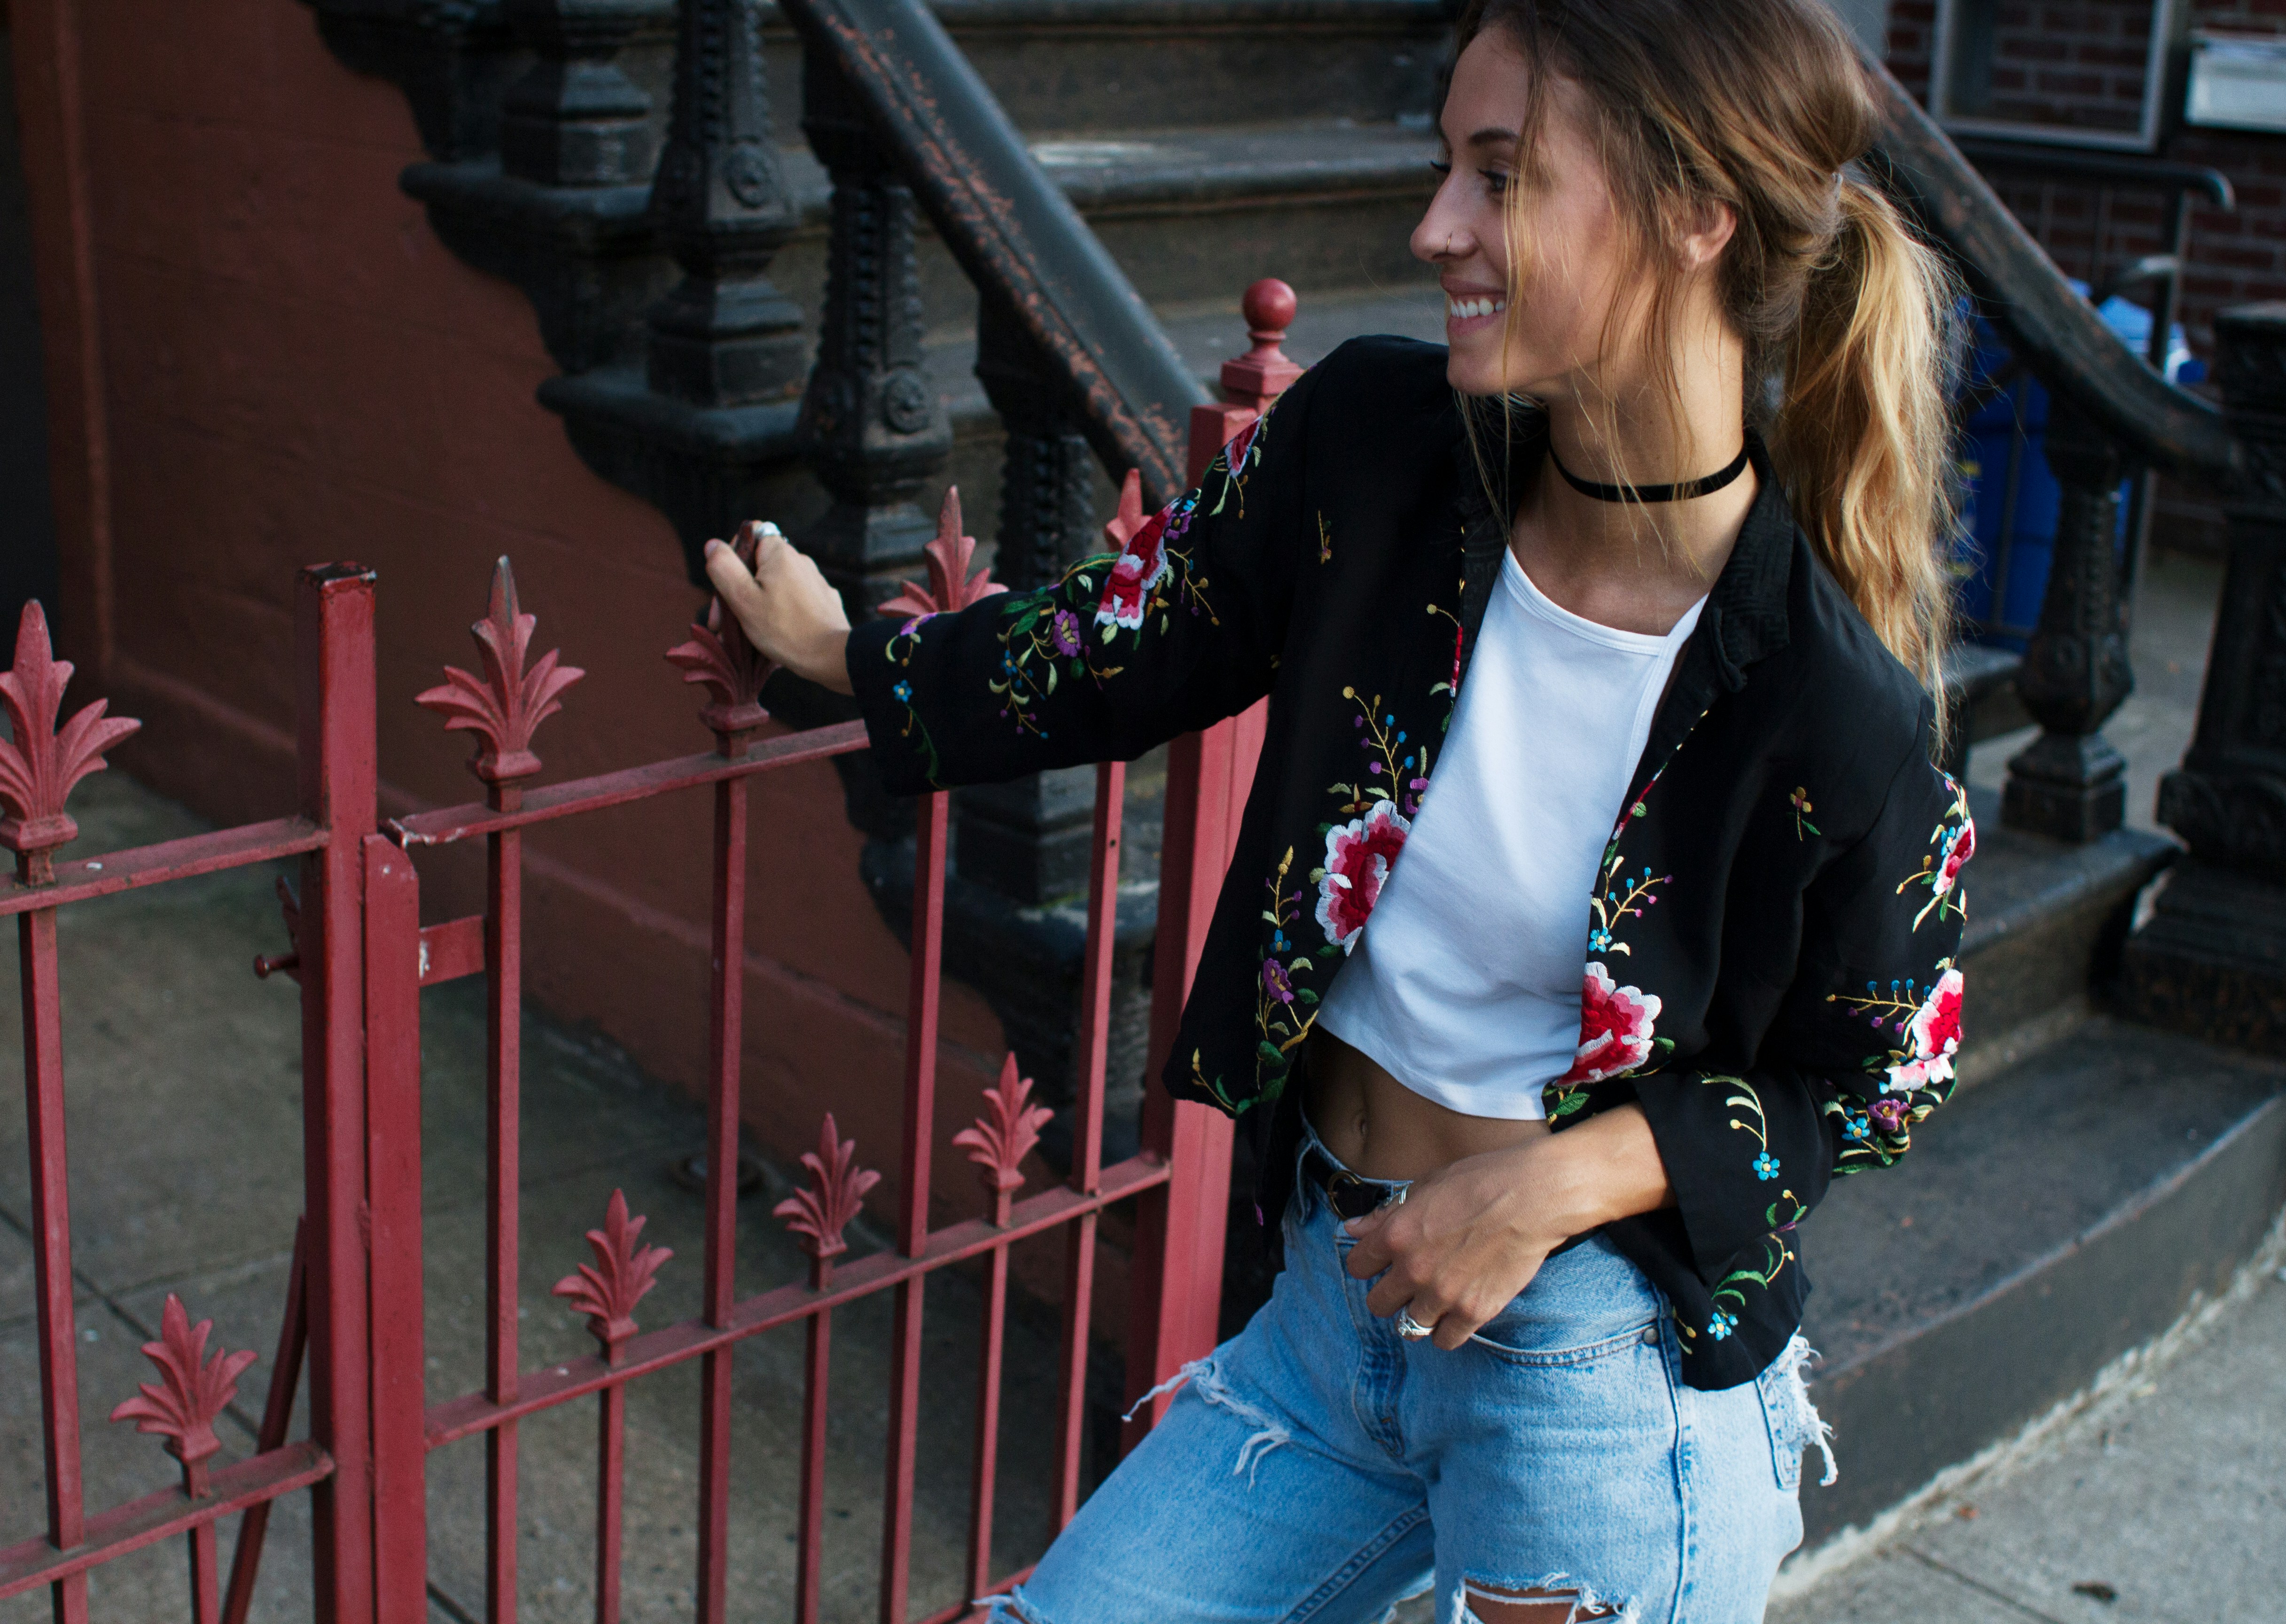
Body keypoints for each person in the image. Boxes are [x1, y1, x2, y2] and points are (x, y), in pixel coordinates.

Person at [706, 0, 1974, 1616]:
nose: (1439, 224)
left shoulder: (1828, 698)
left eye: (1502, 175)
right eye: (1447, 165)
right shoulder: (1377, 449)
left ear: (1693, 213)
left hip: (1592, 1377)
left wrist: (1563, 1182)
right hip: (1327, 1313)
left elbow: (1880, 1083)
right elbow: (1133, 636)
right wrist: (855, 661)